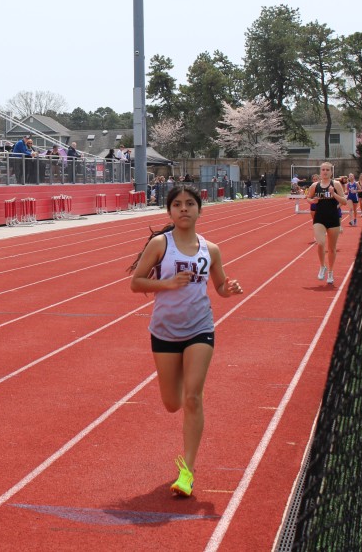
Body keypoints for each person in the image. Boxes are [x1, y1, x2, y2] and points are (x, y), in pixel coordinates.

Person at [127, 185, 242, 497]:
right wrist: (167, 284)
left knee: (193, 398)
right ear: (169, 211)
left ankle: (187, 471)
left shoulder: (211, 250)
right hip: (164, 330)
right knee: (172, 403)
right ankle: (178, 387)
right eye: (177, 204)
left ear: (199, 210)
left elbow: (220, 286)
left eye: (190, 204)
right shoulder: (160, 245)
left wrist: (229, 289)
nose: (184, 209)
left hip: (200, 328)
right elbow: (136, 283)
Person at [306, 162, 347, 284]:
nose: (325, 172)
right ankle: (322, 266)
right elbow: (308, 198)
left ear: (331, 172)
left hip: (333, 218)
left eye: (327, 170)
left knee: (332, 248)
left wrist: (333, 194)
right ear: (320, 172)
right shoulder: (315, 185)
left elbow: (344, 201)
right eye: (323, 170)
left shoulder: (336, 184)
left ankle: (330, 271)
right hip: (319, 218)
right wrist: (312, 201)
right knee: (320, 243)